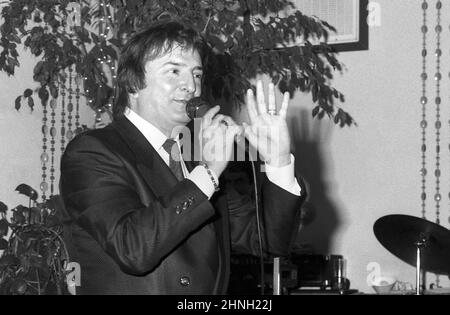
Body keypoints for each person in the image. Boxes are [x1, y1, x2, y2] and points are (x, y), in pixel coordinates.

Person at [60, 19, 305, 295]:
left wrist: (279, 161)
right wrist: (208, 172)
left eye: (197, 74)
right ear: (132, 84)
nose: (191, 86)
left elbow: (267, 242)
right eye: (174, 71)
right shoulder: (93, 151)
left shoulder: (198, 154)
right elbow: (132, 248)